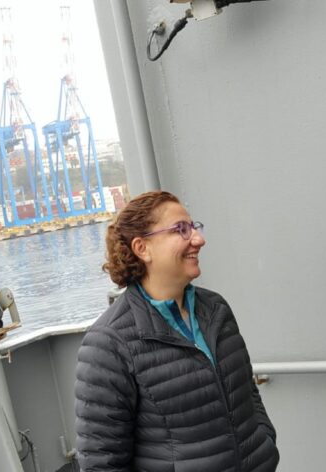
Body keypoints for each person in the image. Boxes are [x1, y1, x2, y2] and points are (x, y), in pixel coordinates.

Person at [75, 190, 279, 472]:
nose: (198, 239)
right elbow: (101, 462)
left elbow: (247, 394)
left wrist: (265, 440)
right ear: (142, 248)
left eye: (194, 227)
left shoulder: (216, 309)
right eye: (181, 229)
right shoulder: (109, 343)